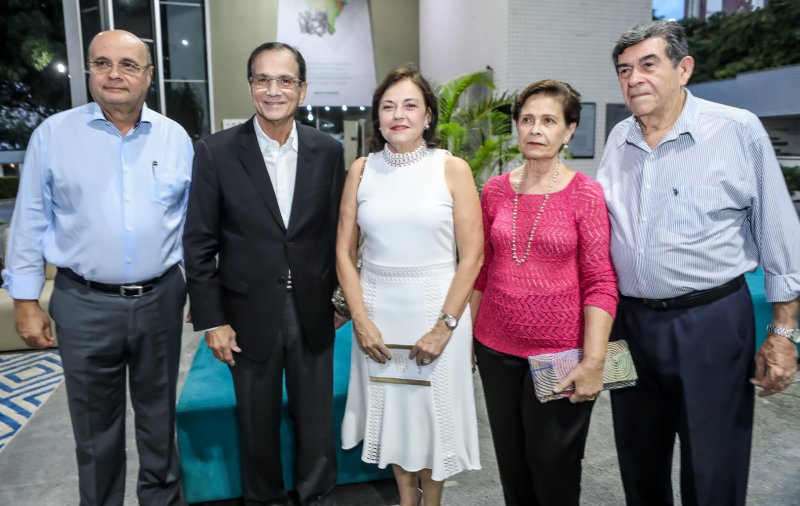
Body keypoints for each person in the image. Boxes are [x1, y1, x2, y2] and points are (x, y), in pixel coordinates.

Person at [598, 20, 800, 506]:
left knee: (713, 467)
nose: (634, 79)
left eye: (649, 65)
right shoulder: (619, 138)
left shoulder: (737, 130)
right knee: (638, 462)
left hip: (710, 323)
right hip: (629, 328)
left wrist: (784, 334)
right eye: (625, 70)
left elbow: (779, 235)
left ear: (683, 68)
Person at [1, 30, 193, 505]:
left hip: (160, 300)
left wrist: (202, 295)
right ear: (88, 71)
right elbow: (28, 221)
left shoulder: (174, 139)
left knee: (158, 426)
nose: (114, 74)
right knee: (95, 435)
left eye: (128, 65)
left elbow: (191, 225)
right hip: (83, 304)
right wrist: (25, 301)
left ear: (149, 76)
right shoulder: (53, 135)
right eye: (102, 63)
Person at [183, 42, 345, 506]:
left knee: (316, 424)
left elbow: (339, 235)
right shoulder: (214, 151)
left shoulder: (326, 150)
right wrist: (212, 320)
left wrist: (339, 301)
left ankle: (319, 497)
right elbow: (199, 243)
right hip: (246, 313)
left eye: (285, 80)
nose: (274, 90)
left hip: (313, 311)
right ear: (251, 85)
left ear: (303, 88)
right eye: (263, 80)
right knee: (256, 424)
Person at [338, 65, 483, 506]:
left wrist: (445, 325)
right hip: (378, 310)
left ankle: (432, 501)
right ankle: (406, 498)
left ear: (428, 116)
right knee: (395, 412)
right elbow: (344, 253)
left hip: (440, 308)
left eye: (409, 105)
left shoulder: (452, 168)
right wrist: (360, 320)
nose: (398, 114)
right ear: (377, 117)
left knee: (432, 414)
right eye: (388, 105)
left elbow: (472, 255)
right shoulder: (361, 169)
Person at [470, 80, 618, 506]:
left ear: (569, 130)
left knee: (553, 470)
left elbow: (601, 281)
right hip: (497, 350)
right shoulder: (496, 190)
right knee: (513, 470)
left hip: (560, 356)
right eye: (527, 119)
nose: (536, 129)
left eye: (549, 120)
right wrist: (468, 340)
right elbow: (481, 270)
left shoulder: (585, 194)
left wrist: (594, 361)